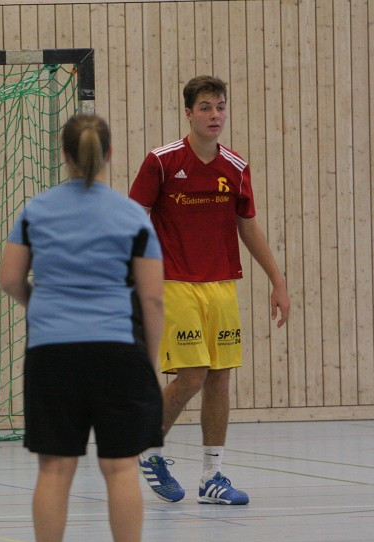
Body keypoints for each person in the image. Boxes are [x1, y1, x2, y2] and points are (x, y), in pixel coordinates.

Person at [0, 114, 164, 542]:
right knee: (120, 469)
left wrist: (47, 308)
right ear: (109, 154)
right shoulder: (133, 216)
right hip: (116, 350)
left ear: (64, 155)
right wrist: (150, 365)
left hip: (52, 353)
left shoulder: (35, 210)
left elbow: (9, 280)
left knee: (55, 468)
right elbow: (153, 299)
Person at [129, 75, 290, 505]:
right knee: (192, 375)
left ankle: (211, 476)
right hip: (174, 283)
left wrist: (278, 280)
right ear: (188, 113)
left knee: (220, 378)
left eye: (220, 106)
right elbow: (133, 220)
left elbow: (247, 225)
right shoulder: (162, 162)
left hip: (221, 285)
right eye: (205, 107)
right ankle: (147, 447)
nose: (215, 114)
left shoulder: (235, 167)